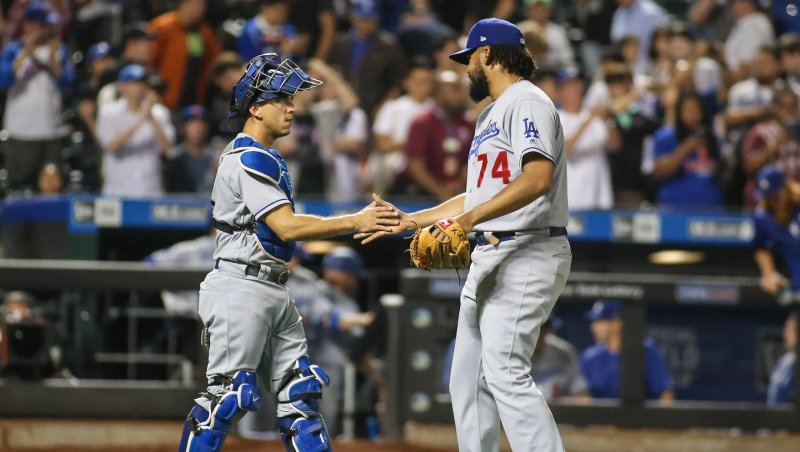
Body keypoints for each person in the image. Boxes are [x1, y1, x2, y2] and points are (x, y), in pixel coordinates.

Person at [358, 18, 572, 452]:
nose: (466, 68)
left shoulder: (528, 102)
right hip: (492, 252)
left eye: (470, 58)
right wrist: (413, 220)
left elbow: (537, 178)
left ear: (489, 54)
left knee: (506, 372)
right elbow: (476, 196)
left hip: (528, 247)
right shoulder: (491, 112)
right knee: (466, 380)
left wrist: (468, 223)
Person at [177, 53, 399, 452]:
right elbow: (288, 227)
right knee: (225, 399)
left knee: (301, 396)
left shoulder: (267, 155)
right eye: (282, 99)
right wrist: (357, 221)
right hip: (239, 287)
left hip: (273, 286)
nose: (292, 108)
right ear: (256, 107)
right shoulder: (248, 157)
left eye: (291, 99)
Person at [0, 1, 74, 193]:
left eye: (50, 26)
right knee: (18, 187)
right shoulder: (13, 50)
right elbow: (3, 80)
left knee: (52, 186)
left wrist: (53, 60)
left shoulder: (59, 50)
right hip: (21, 130)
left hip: (51, 130)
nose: (48, 30)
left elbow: (67, 84)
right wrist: (26, 52)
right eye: (43, 25)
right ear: (29, 25)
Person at [96, 64, 175, 198]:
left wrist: (150, 115)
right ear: (122, 86)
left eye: (143, 83)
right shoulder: (108, 113)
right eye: (136, 82)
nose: (141, 87)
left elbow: (167, 150)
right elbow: (111, 146)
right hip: (118, 192)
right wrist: (141, 118)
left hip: (150, 191)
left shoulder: (159, 113)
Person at [580, 300, 674, 400]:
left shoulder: (643, 349)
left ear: (616, 323)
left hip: (636, 414)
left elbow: (666, 393)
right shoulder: (590, 356)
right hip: (599, 415)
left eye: (599, 321)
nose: (593, 326)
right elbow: (580, 394)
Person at [401, 70, 472, 201]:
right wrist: (439, 191)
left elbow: (473, 161)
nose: (462, 95)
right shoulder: (422, 122)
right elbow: (415, 164)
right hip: (421, 195)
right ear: (439, 93)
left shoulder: (467, 124)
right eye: (455, 89)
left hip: (457, 193)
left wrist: (458, 184)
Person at [327, 0, 406, 117]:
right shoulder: (340, 43)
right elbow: (332, 72)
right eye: (362, 19)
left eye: (370, 20)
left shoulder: (388, 46)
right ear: (352, 17)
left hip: (375, 109)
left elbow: (397, 83)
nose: (365, 24)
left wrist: (382, 110)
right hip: (344, 106)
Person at [369, 60, 435, 194]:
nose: (422, 86)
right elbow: (382, 145)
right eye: (418, 81)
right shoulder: (393, 107)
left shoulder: (436, 109)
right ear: (407, 82)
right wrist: (414, 143)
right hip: (397, 173)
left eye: (426, 81)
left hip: (430, 170)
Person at [651, 91, 724, 208]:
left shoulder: (711, 138)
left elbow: (720, 175)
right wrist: (684, 150)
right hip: (674, 207)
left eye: (696, 109)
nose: (693, 114)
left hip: (709, 207)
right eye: (688, 110)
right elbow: (658, 173)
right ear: (679, 112)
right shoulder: (666, 136)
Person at [557, 69, 613, 210]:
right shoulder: (556, 118)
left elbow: (614, 145)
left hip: (600, 197)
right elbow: (566, 149)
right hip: (572, 199)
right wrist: (588, 119)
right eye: (570, 85)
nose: (576, 88)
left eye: (578, 83)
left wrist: (609, 119)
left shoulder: (594, 116)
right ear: (560, 92)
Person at [149, 0, 221, 109]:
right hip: (165, 97)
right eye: (194, 4)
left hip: (194, 99)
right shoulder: (163, 26)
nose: (199, 9)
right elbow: (149, 59)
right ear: (183, 4)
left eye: (202, 6)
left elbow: (215, 63)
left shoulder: (205, 33)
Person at [742, 89, 800, 209]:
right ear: (775, 108)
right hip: (767, 201)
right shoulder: (760, 132)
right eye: (785, 107)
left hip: (795, 201)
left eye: (793, 107)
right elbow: (748, 166)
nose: (789, 112)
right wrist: (773, 148)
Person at [751, 165, 800, 297]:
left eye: (776, 196)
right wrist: (768, 273)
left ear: (786, 188)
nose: (772, 202)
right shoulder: (763, 218)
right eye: (768, 198)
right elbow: (760, 247)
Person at [165, 105, 217, 195]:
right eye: (192, 122)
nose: (197, 127)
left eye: (202, 123)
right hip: (179, 205)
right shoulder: (174, 156)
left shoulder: (216, 157)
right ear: (183, 127)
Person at [724, 0, 775, 82]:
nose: (732, 6)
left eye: (734, 2)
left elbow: (745, 68)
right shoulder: (745, 22)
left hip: (749, 85)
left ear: (748, 3)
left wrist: (725, 83)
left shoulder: (754, 24)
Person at [610, 0, 669, 69]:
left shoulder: (652, 12)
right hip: (624, 67)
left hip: (649, 67)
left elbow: (663, 42)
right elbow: (615, 41)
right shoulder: (618, 13)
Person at [768, 313, 796, 406]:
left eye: (790, 329)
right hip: (777, 417)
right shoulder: (784, 362)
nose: (785, 333)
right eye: (786, 328)